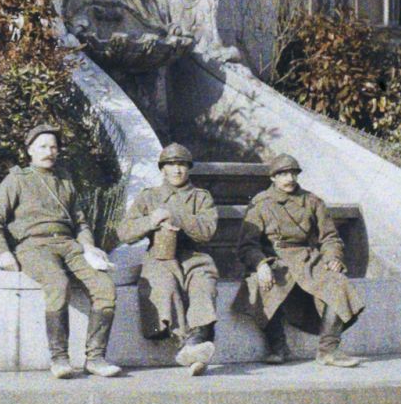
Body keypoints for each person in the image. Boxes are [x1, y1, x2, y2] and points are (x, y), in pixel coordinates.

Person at [0, 124, 121, 379]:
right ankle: (59, 359)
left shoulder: (65, 181)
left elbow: (80, 222)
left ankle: (95, 358)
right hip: (33, 246)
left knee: (105, 288)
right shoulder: (17, 179)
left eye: (53, 147)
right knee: (58, 284)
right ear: (30, 150)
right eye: (42, 147)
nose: (49, 152)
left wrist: (88, 246)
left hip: (69, 245)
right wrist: (3, 252)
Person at [239, 153, 365, 368]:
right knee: (262, 286)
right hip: (275, 259)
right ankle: (277, 346)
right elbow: (247, 245)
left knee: (338, 283)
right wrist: (260, 264)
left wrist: (333, 257)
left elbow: (330, 237)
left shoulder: (312, 201)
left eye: (293, 173)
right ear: (273, 178)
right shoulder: (261, 203)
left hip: (308, 260)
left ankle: (328, 350)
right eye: (283, 174)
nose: (289, 179)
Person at [116, 143, 220, 375]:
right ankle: (188, 343)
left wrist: (176, 216)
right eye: (171, 165)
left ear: (189, 168)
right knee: (164, 285)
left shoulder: (201, 197)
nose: (177, 170)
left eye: (182, 164)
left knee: (203, 283)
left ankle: (198, 340)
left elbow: (207, 231)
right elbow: (124, 233)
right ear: (163, 169)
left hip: (194, 255)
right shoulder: (149, 196)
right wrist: (151, 221)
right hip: (160, 256)